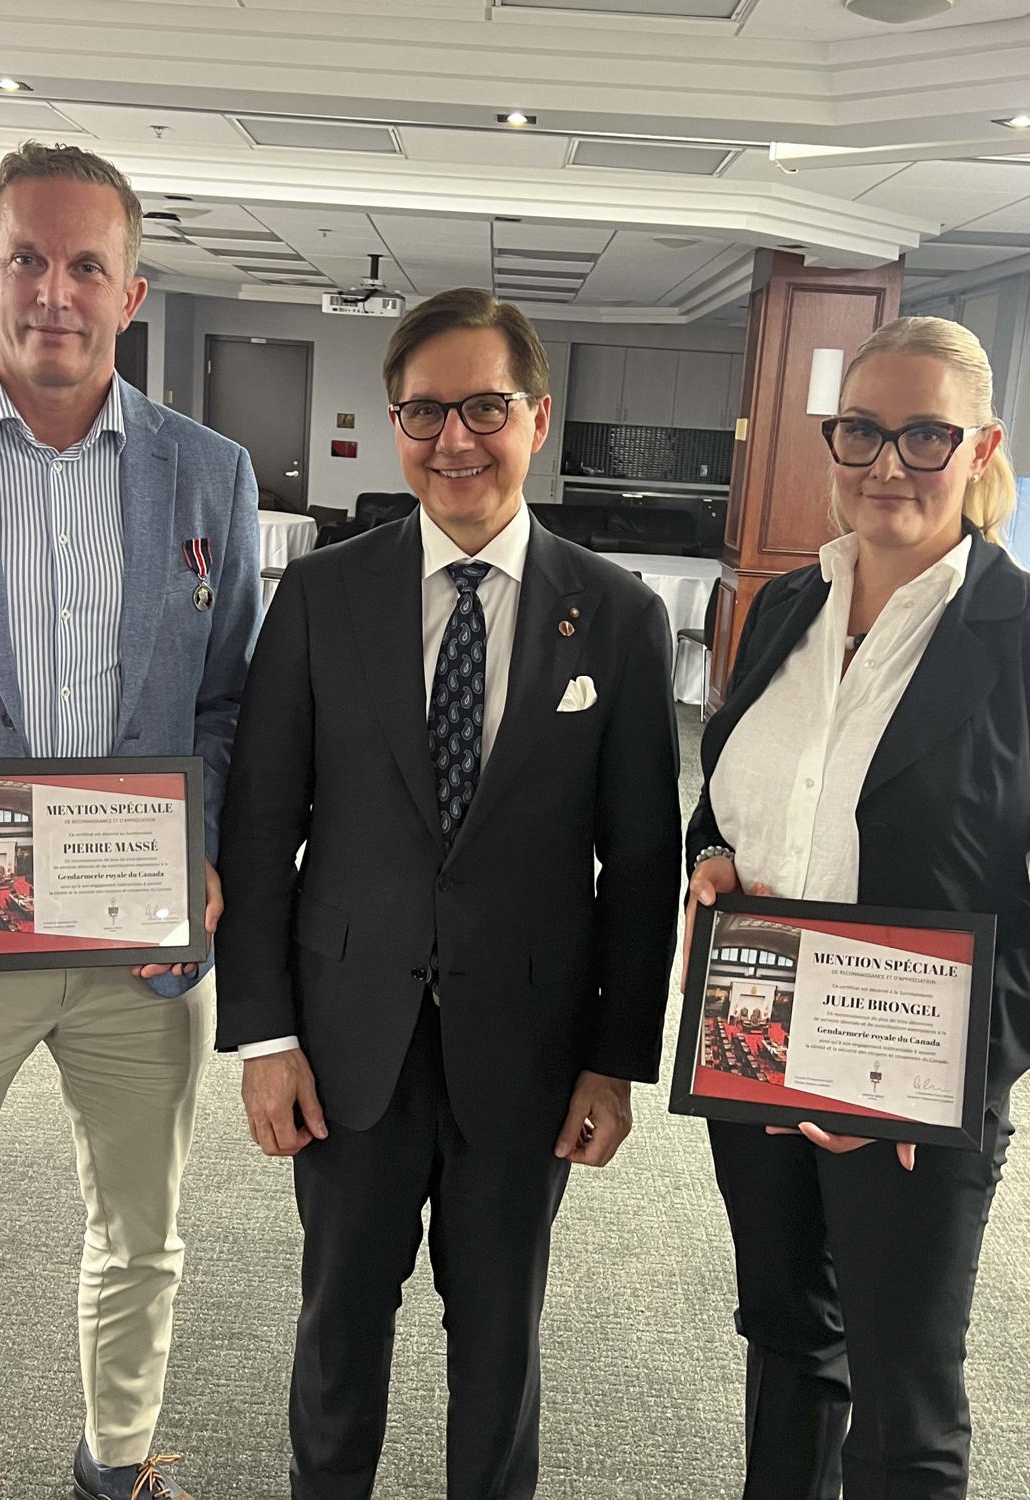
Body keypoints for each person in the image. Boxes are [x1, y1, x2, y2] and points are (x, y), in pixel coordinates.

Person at [215, 287, 682, 1499]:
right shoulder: (322, 597)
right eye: (426, 411)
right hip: (344, 1042)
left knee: (500, 1348)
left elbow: (641, 866)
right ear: (393, 421)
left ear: (536, 416)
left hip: (526, 1053)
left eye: (485, 406)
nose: (455, 439)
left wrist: (612, 1061)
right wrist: (264, 1035)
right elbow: (262, 831)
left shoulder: (619, 618)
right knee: (336, 1338)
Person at [0, 142, 261, 1500]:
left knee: (141, 1232)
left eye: (87, 265)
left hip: (136, 940)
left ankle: (116, 1467)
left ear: (132, 292)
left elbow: (228, 694)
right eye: (31, 259)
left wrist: (205, 842)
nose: (56, 291)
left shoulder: (207, 475)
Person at [684, 314, 1026, 1500]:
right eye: (862, 431)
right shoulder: (785, 607)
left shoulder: (1019, 641)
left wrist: (933, 1086)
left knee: (903, 1413)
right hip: (762, 1047)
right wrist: (714, 859)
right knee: (785, 1337)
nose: (888, 464)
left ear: (981, 447)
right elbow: (730, 792)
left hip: (916, 1092)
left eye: (925, 436)